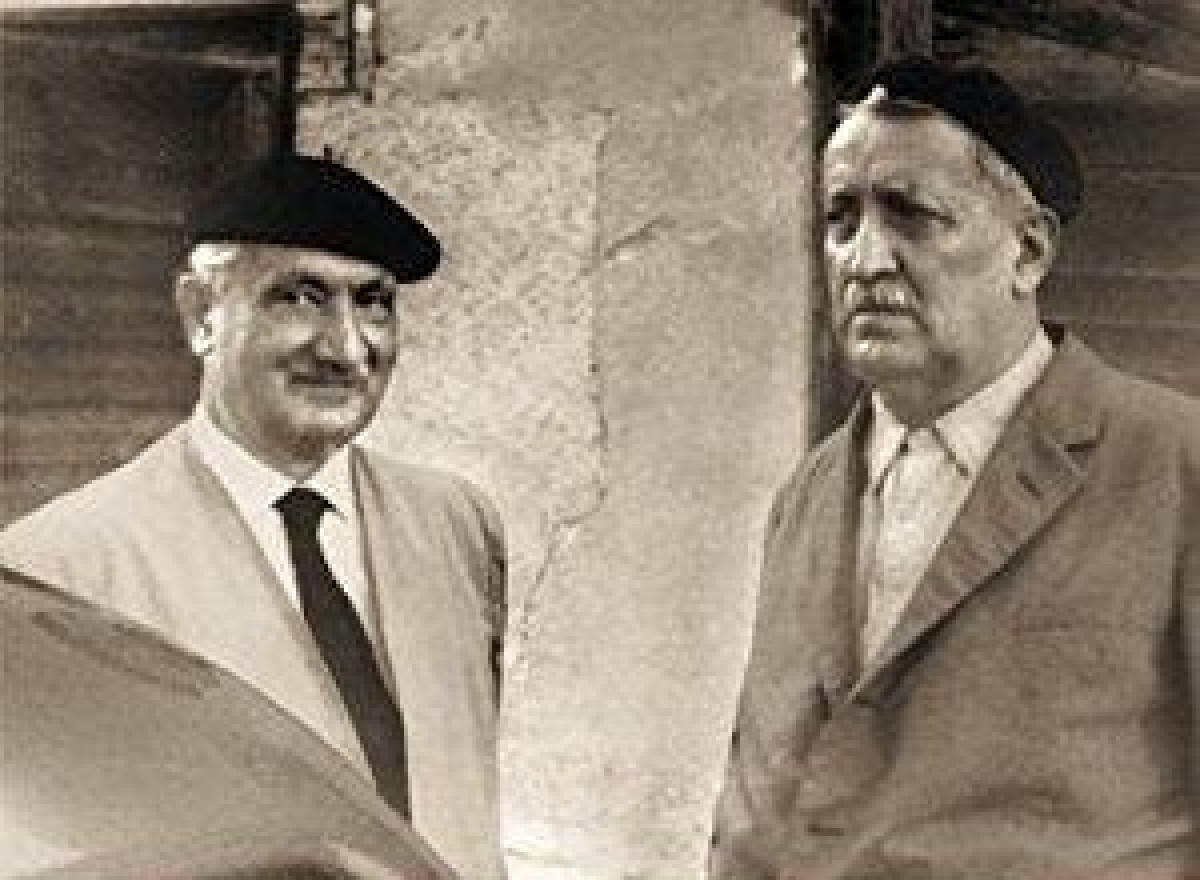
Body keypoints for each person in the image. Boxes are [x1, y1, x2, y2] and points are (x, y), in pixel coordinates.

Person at [709, 57, 1199, 879]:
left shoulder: (1174, 465)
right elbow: (756, 813)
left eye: (912, 215)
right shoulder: (806, 499)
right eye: (840, 219)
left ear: (1028, 252)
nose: (865, 261)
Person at [0, 154, 508, 880]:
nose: (346, 348)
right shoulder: (60, 565)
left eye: (373, 303)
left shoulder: (457, 523)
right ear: (200, 314)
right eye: (299, 298)